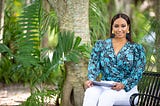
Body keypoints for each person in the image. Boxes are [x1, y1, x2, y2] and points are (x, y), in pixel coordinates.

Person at [83, 13, 146, 106]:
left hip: (128, 89)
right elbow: (93, 65)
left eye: (123, 26)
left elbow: (138, 72)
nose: (119, 29)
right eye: (116, 26)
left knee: (107, 96)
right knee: (90, 92)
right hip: (104, 85)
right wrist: (91, 79)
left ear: (128, 28)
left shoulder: (137, 49)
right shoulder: (101, 45)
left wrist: (124, 84)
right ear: (112, 28)